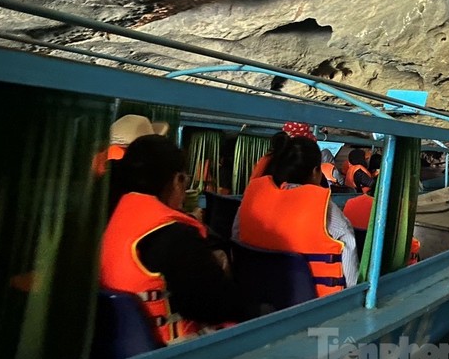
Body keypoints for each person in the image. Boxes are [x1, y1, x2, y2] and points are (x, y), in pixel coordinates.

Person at [100, 135, 259, 345]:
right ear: (177, 180)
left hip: (123, 345)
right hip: (171, 351)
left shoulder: (111, 217)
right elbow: (216, 305)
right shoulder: (172, 234)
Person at [235, 135, 358, 296]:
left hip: (255, 302)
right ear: (316, 172)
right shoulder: (327, 212)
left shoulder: (250, 200)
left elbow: (237, 241)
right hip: (315, 309)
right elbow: (351, 280)